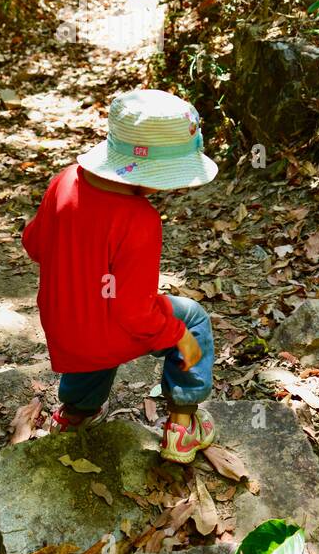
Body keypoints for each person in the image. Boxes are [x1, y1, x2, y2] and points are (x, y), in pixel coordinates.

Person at [21, 89, 218, 462]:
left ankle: (76, 414)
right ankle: (182, 426)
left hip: (66, 330)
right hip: (107, 330)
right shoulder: (139, 219)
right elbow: (133, 311)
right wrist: (177, 336)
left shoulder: (63, 182)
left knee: (93, 324)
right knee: (192, 319)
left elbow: (34, 245)